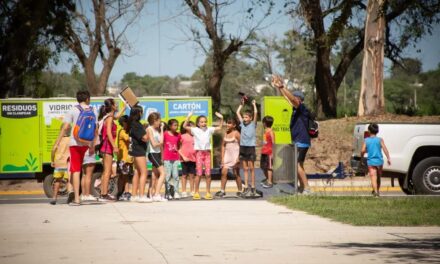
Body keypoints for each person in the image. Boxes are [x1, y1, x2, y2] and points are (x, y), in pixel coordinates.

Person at [54, 90, 97, 205]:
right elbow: (95, 129)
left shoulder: (73, 110)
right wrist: (92, 145)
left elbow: (65, 127)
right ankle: (79, 195)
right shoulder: (93, 110)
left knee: (75, 170)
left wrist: (57, 143)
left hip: (75, 143)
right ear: (87, 99)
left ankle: (77, 198)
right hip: (86, 144)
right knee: (81, 170)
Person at [271, 75, 312, 194]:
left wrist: (282, 86)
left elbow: (292, 99)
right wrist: (280, 88)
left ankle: (307, 189)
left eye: (295, 97)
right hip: (297, 140)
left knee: (297, 164)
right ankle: (302, 187)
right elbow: (287, 98)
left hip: (301, 140)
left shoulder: (302, 108)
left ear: (299, 99)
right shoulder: (295, 109)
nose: (293, 99)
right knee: (298, 165)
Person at [183, 111, 224, 200]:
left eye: (205, 121)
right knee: (198, 174)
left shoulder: (209, 129)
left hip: (207, 153)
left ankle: (208, 192)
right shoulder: (195, 130)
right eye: (201, 122)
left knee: (208, 174)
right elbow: (184, 126)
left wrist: (221, 118)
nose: (204, 123)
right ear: (198, 123)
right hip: (199, 154)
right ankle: (196, 192)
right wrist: (188, 117)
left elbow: (220, 127)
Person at [127, 105, 151, 203]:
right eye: (141, 112)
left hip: (135, 150)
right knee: (144, 172)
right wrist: (149, 130)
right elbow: (145, 138)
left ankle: (134, 195)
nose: (142, 113)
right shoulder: (137, 124)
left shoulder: (132, 124)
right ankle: (141, 195)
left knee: (137, 172)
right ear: (138, 113)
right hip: (139, 151)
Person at [361, 123, 391, 197]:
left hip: (371, 161)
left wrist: (362, 157)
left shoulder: (366, 140)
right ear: (377, 131)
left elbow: (362, 150)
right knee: (378, 177)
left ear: (369, 131)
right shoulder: (380, 140)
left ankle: (376, 192)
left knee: (373, 177)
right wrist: (388, 158)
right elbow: (385, 149)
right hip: (379, 161)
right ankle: (377, 190)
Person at [98, 98, 119, 202]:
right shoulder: (109, 118)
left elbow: (117, 117)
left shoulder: (109, 117)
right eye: (116, 103)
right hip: (107, 146)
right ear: (113, 106)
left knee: (106, 171)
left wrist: (124, 108)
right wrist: (114, 146)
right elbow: (109, 133)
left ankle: (103, 193)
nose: (117, 105)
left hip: (106, 146)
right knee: (107, 171)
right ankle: (104, 195)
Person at [215, 117, 242, 198]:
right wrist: (222, 158)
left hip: (235, 156)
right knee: (223, 173)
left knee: (236, 174)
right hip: (227, 156)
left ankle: (240, 190)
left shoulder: (237, 133)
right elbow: (223, 146)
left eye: (229, 123)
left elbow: (241, 146)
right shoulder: (226, 133)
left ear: (234, 125)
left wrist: (238, 157)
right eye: (227, 123)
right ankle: (222, 191)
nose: (227, 124)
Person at [236, 99, 258, 196]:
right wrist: (241, 104)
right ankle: (246, 187)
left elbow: (256, 112)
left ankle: (253, 186)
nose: (244, 118)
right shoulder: (242, 124)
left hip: (250, 147)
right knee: (245, 168)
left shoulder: (253, 124)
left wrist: (254, 104)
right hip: (243, 147)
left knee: (251, 168)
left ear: (250, 118)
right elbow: (237, 112)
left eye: (246, 117)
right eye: (244, 117)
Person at [147, 112, 168, 202]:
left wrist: (162, 129)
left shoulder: (157, 130)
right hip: (152, 153)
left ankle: (150, 194)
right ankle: (157, 194)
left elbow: (161, 141)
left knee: (154, 175)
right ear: (154, 120)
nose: (160, 122)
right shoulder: (149, 129)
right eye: (159, 120)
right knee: (163, 173)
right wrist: (159, 144)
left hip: (158, 153)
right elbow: (154, 144)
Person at [50, 125, 71, 205]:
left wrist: (52, 160)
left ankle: (54, 198)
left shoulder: (58, 140)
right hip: (67, 164)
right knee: (69, 181)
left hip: (58, 164)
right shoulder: (70, 140)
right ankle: (69, 197)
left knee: (57, 181)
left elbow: (53, 150)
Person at [163, 119, 182, 199]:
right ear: (170, 126)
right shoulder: (165, 134)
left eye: (177, 125)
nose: (176, 127)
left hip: (176, 158)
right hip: (167, 158)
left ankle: (176, 192)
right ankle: (167, 193)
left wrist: (178, 152)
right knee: (167, 176)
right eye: (174, 125)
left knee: (176, 175)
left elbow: (179, 144)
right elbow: (162, 144)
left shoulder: (178, 135)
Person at [117, 115, 134, 201]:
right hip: (123, 159)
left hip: (127, 158)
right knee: (123, 176)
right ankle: (122, 192)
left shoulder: (126, 131)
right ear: (124, 123)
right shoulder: (122, 132)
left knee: (125, 176)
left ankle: (124, 192)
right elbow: (129, 139)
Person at [179, 121, 196, 198]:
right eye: (191, 127)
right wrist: (183, 157)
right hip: (184, 159)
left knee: (192, 175)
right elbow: (177, 148)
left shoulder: (195, 136)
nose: (193, 128)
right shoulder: (182, 136)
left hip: (193, 159)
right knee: (184, 175)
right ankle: (183, 191)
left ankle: (192, 191)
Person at [261, 116, 275, 188]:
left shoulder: (271, 132)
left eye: (263, 122)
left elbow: (273, 143)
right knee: (263, 167)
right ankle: (267, 179)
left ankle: (270, 182)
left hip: (269, 152)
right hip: (264, 151)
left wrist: (272, 153)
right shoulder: (265, 131)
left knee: (269, 167)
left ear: (265, 123)